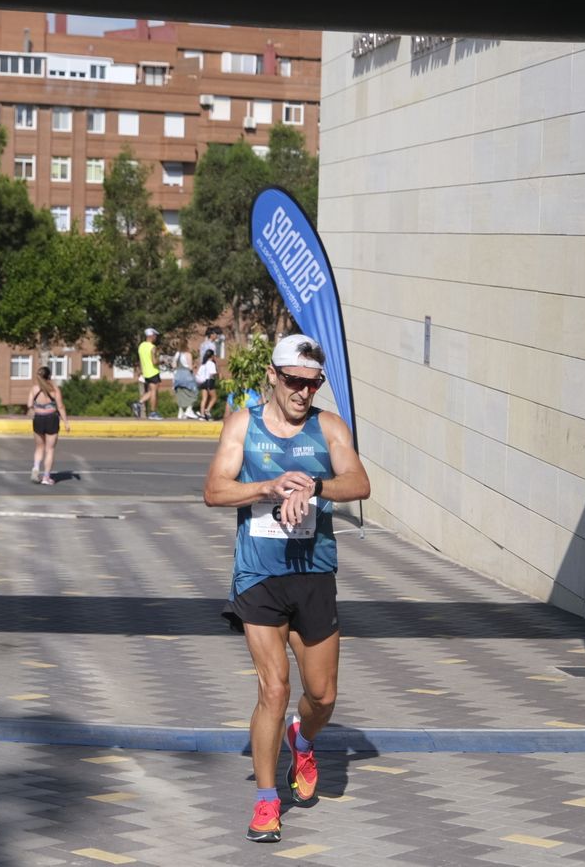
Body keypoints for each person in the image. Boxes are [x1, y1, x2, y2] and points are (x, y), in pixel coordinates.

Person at [203, 334, 370, 844]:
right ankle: (267, 801)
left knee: (321, 695)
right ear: (272, 377)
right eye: (295, 381)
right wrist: (267, 488)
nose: (303, 392)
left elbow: (360, 484)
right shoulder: (243, 425)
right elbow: (214, 490)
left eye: (313, 383)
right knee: (273, 688)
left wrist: (314, 486)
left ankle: (302, 737)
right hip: (259, 574)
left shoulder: (328, 427)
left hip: (314, 572)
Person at [29, 366, 68, 485]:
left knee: (39, 447)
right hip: (51, 419)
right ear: (49, 376)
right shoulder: (54, 389)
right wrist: (66, 422)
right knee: (49, 449)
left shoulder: (34, 389)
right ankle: (46, 477)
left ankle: (36, 468)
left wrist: (36, 409)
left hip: (38, 419)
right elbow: (60, 407)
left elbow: (29, 404)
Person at [136, 327, 161, 419]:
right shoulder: (152, 347)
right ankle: (153, 412)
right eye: (155, 335)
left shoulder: (141, 346)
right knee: (154, 392)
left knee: (151, 391)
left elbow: (140, 360)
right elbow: (154, 362)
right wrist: (161, 361)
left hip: (146, 372)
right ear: (151, 336)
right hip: (153, 371)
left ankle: (139, 403)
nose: (156, 338)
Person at [173, 351, 199, 419]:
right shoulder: (188, 354)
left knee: (180, 394)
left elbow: (174, 365)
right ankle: (189, 409)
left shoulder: (177, 354)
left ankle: (180, 412)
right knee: (194, 392)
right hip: (186, 375)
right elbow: (190, 367)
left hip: (178, 375)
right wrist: (194, 366)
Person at [196, 348, 219, 420]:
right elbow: (212, 374)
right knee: (214, 398)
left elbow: (199, 373)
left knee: (204, 399)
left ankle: (202, 415)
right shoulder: (211, 364)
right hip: (210, 381)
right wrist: (218, 374)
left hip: (204, 382)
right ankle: (207, 410)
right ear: (212, 356)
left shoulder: (203, 364)